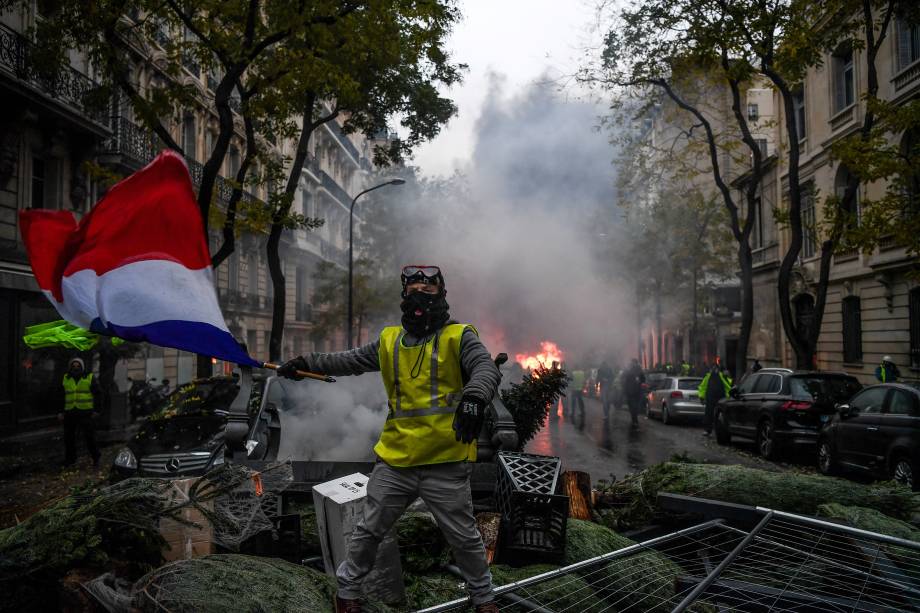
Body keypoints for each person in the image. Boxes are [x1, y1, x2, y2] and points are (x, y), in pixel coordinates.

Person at [278, 265, 501, 613]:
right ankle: (347, 594)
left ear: (441, 295)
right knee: (368, 530)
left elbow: (486, 368)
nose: (419, 300)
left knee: (464, 538)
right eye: (413, 292)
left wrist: (474, 398)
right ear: (403, 297)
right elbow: (348, 361)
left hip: (444, 461)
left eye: (427, 293)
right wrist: (306, 362)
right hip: (396, 461)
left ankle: (484, 600)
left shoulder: (460, 336)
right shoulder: (389, 340)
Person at [60, 357, 101, 467]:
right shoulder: (66, 378)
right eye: (73, 366)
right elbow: (60, 396)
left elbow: (98, 394)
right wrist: (60, 412)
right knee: (69, 438)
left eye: (78, 365)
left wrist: (96, 410)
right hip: (70, 413)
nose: (76, 367)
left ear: (82, 367)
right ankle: (70, 460)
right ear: (70, 367)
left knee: (90, 437)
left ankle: (96, 457)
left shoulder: (89, 377)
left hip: (85, 413)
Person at [698, 360, 732, 436]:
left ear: (718, 369)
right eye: (713, 368)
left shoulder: (722, 375)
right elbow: (702, 387)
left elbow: (728, 385)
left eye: (715, 368)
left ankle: (720, 430)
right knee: (708, 414)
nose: (714, 369)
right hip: (710, 399)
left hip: (721, 399)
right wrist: (701, 397)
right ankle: (708, 430)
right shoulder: (708, 376)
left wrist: (728, 377)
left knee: (720, 415)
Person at [621, 359, 646, 427]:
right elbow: (643, 379)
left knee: (632, 406)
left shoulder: (630, 370)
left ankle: (634, 419)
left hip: (632, 392)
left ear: (634, 363)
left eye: (632, 363)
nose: (631, 364)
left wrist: (625, 390)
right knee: (634, 406)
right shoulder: (639, 370)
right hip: (636, 391)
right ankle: (634, 419)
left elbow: (624, 380)